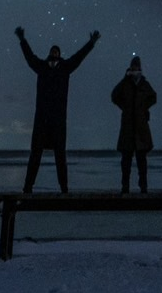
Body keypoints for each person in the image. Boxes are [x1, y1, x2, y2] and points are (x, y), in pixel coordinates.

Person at [16, 25, 100, 193]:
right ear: (50, 53)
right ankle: (27, 187)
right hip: (42, 118)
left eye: (57, 51)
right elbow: (29, 57)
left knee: (60, 155)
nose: (54, 53)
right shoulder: (42, 67)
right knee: (36, 154)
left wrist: (91, 43)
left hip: (58, 119)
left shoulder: (65, 68)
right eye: (52, 51)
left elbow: (79, 56)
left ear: (59, 54)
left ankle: (64, 188)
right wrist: (22, 40)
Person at [110, 55, 157, 194]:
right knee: (126, 161)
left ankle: (143, 187)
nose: (135, 69)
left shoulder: (144, 83)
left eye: (136, 67)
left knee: (142, 161)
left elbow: (153, 97)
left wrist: (144, 108)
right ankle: (125, 187)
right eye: (133, 67)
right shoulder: (125, 83)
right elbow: (114, 95)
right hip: (128, 127)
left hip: (141, 127)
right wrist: (124, 106)